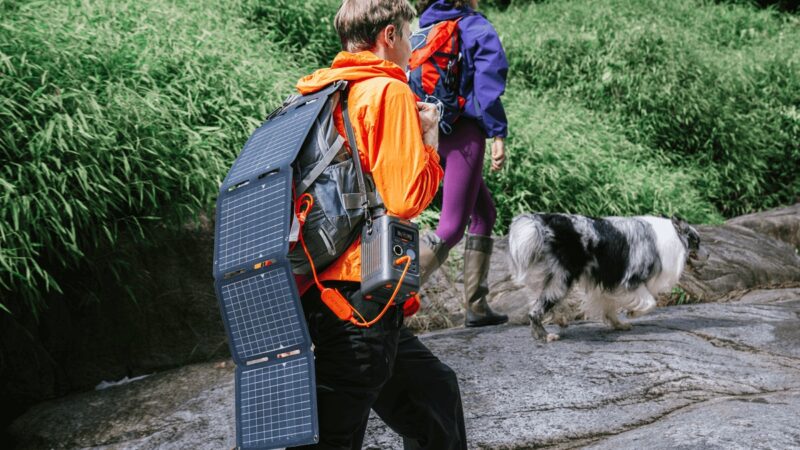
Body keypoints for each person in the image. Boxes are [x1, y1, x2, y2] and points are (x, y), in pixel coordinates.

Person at [292, 1, 467, 448]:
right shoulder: (386, 92)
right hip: (357, 301)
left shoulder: (321, 93)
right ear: (389, 36)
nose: (412, 47)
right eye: (409, 36)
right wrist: (430, 140)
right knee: (333, 437)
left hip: (325, 290)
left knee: (436, 395)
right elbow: (406, 196)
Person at [416, 0, 510, 328]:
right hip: (463, 133)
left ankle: (477, 306)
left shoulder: (422, 28)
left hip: (428, 132)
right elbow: (487, 86)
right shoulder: (475, 27)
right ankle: (389, 301)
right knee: (452, 225)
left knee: (484, 212)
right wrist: (498, 133)